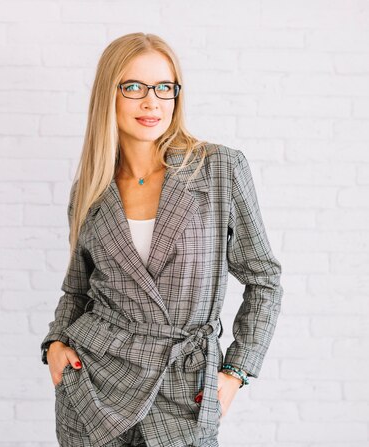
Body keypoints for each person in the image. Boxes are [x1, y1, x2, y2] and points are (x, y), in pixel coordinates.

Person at [40, 32, 283, 447]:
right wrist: (55, 344)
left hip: (186, 388)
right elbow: (77, 289)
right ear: (108, 96)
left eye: (164, 88)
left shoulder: (218, 168)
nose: (152, 102)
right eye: (133, 87)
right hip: (95, 388)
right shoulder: (91, 189)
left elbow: (264, 279)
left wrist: (236, 372)